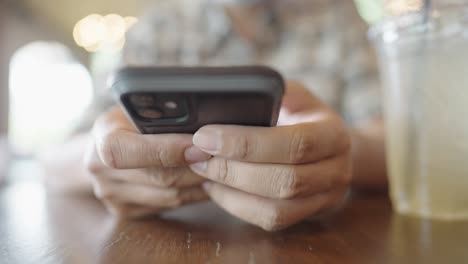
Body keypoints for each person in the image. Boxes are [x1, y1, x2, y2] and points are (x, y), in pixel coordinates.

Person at [43, 0, 387, 231]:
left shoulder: (337, 15)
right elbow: (56, 160)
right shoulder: (158, 25)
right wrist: (102, 157)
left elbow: (394, 144)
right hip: (170, 230)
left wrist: (336, 154)